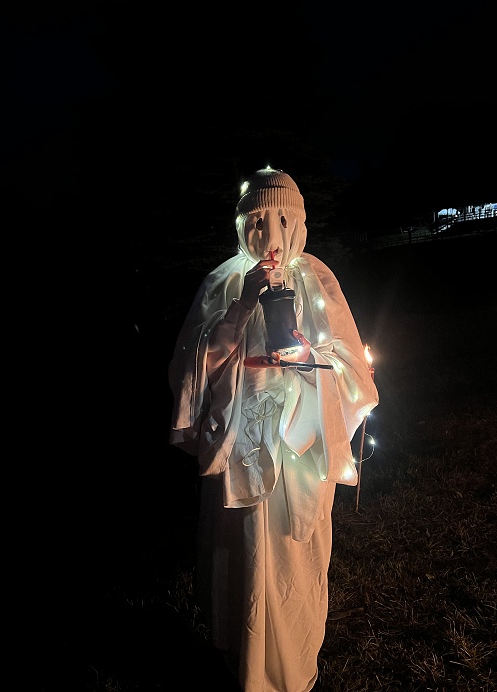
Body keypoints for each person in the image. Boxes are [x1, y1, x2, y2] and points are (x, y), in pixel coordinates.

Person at [168, 167, 379, 691]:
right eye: (257, 221)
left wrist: (309, 359)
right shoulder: (222, 282)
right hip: (241, 447)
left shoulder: (317, 279)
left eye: (282, 220)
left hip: (298, 454)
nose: (270, 235)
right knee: (242, 556)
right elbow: (193, 371)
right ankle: (241, 661)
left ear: (299, 223)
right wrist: (242, 307)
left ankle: (294, 667)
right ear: (242, 224)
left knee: (293, 557)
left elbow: (353, 370)